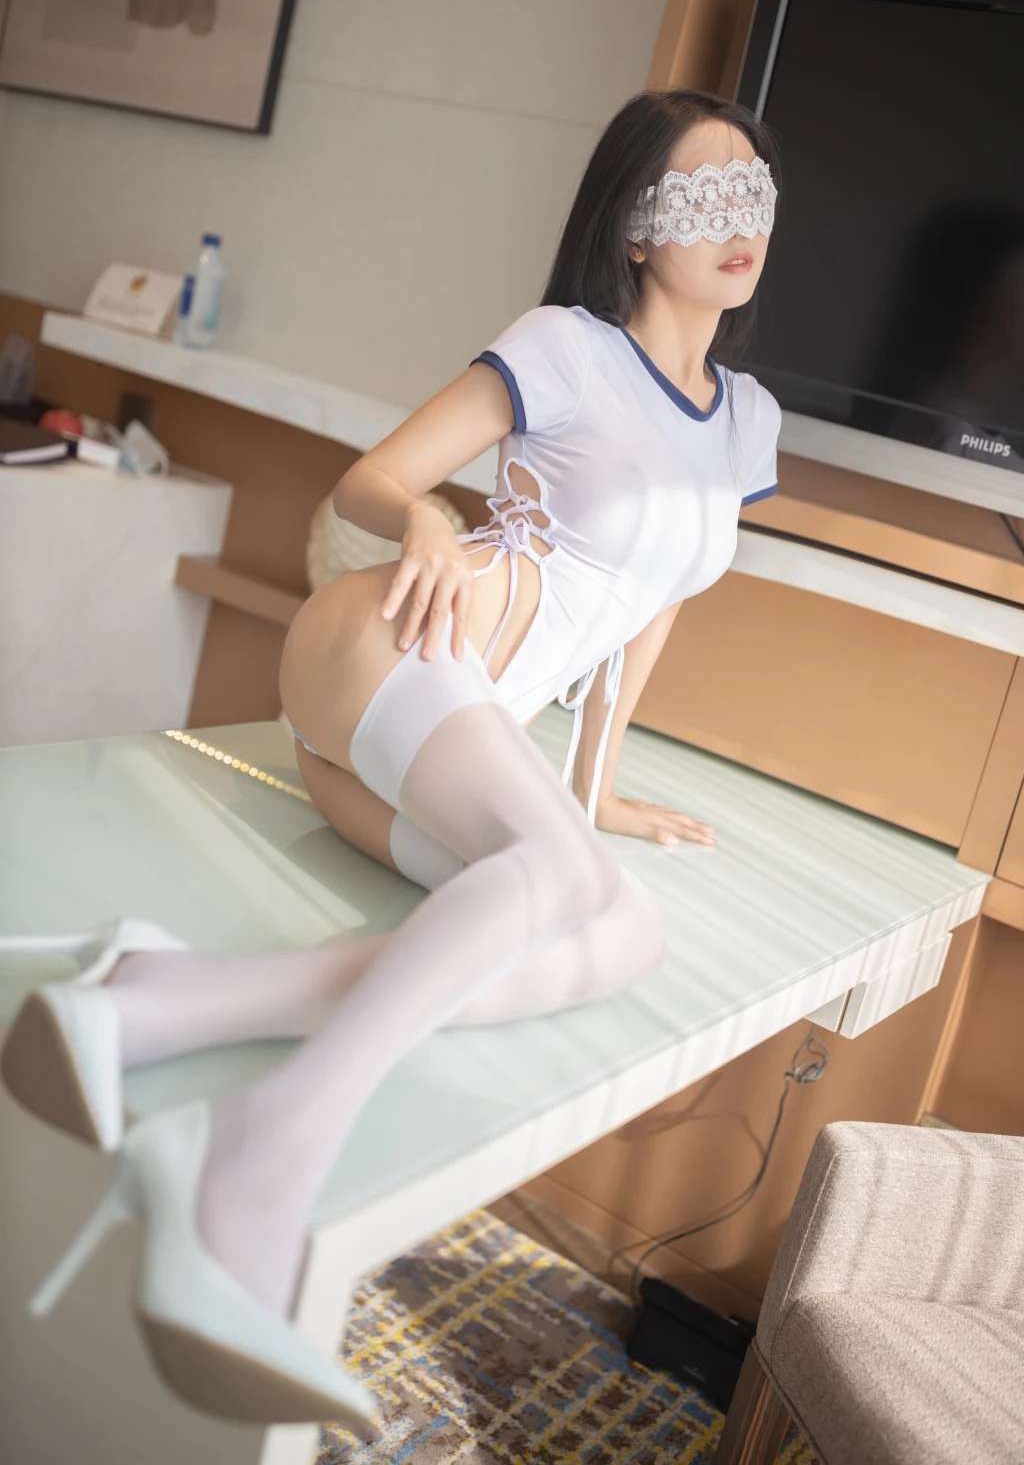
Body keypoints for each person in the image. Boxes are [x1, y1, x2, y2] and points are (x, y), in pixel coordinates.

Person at [1, 86, 782, 1435]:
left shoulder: (748, 420)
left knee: (624, 928)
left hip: (441, 739)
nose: (739, 217)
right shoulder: (568, 347)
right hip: (388, 648)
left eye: (754, 190)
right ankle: (257, 1154)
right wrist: (424, 519)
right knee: (562, 881)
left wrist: (595, 795)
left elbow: (650, 612)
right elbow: (370, 481)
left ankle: (157, 1004)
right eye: (704, 194)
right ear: (638, 225)